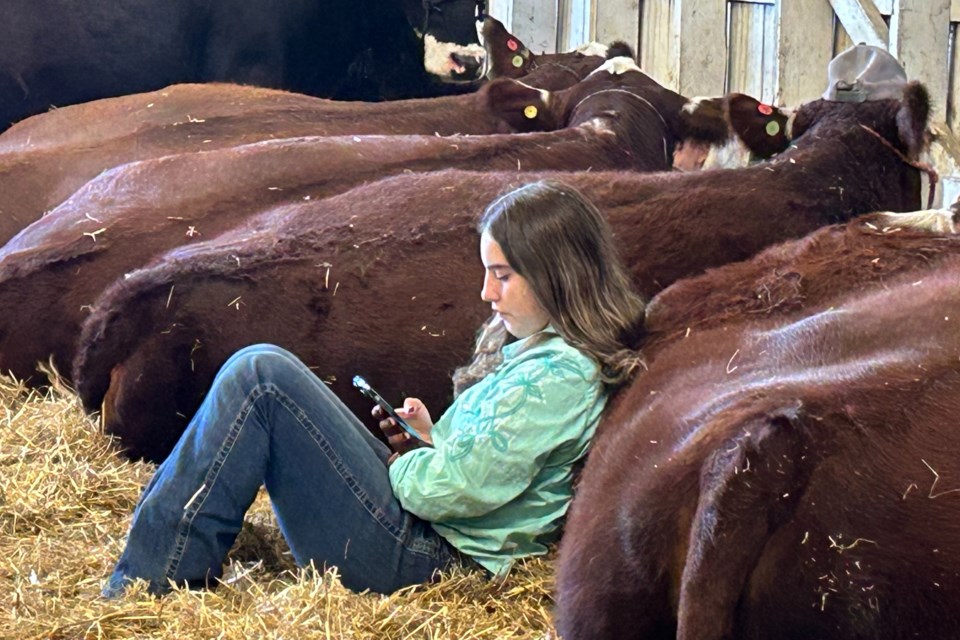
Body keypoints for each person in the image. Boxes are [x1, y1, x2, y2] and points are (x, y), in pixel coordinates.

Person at [103, 179, 647, 597]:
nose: (485, 293)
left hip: (425, 561)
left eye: (502, 275)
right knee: (260, 371)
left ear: (559, 275)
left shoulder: (559, 375)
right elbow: (481, 469)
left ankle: (149, 586)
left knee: (261, 377)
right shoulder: (544, 355)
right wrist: (427, 440)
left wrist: (406, 464)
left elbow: (447, 492)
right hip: (431, 536)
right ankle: (158, 553)